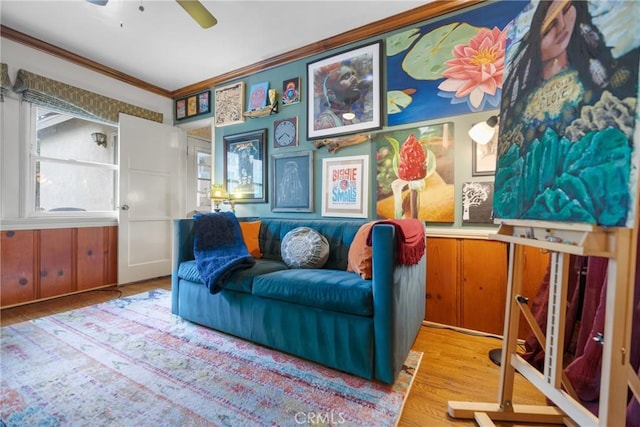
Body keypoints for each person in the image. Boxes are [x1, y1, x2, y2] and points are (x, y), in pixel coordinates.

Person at [314, 64, 365, 130]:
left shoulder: (354, 120)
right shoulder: (325, 121)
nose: (354, 78)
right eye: (346, 77)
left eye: (353, 75)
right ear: (331, 94)